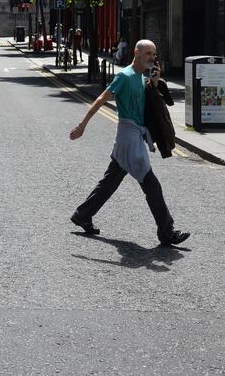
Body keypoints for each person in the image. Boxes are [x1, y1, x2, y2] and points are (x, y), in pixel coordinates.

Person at [68, 39, 189, 246]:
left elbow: (155, 104)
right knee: (151, 184)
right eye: (148, 53)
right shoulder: (124, 76)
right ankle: (166, 232)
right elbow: (101, 99)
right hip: (128, 136)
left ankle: (83, 215)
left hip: (133, 135)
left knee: (111, 180)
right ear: (136, 53)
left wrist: (155, 83)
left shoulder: (143, 77)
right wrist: (82, 125)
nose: (152, 57)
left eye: (154, 54)